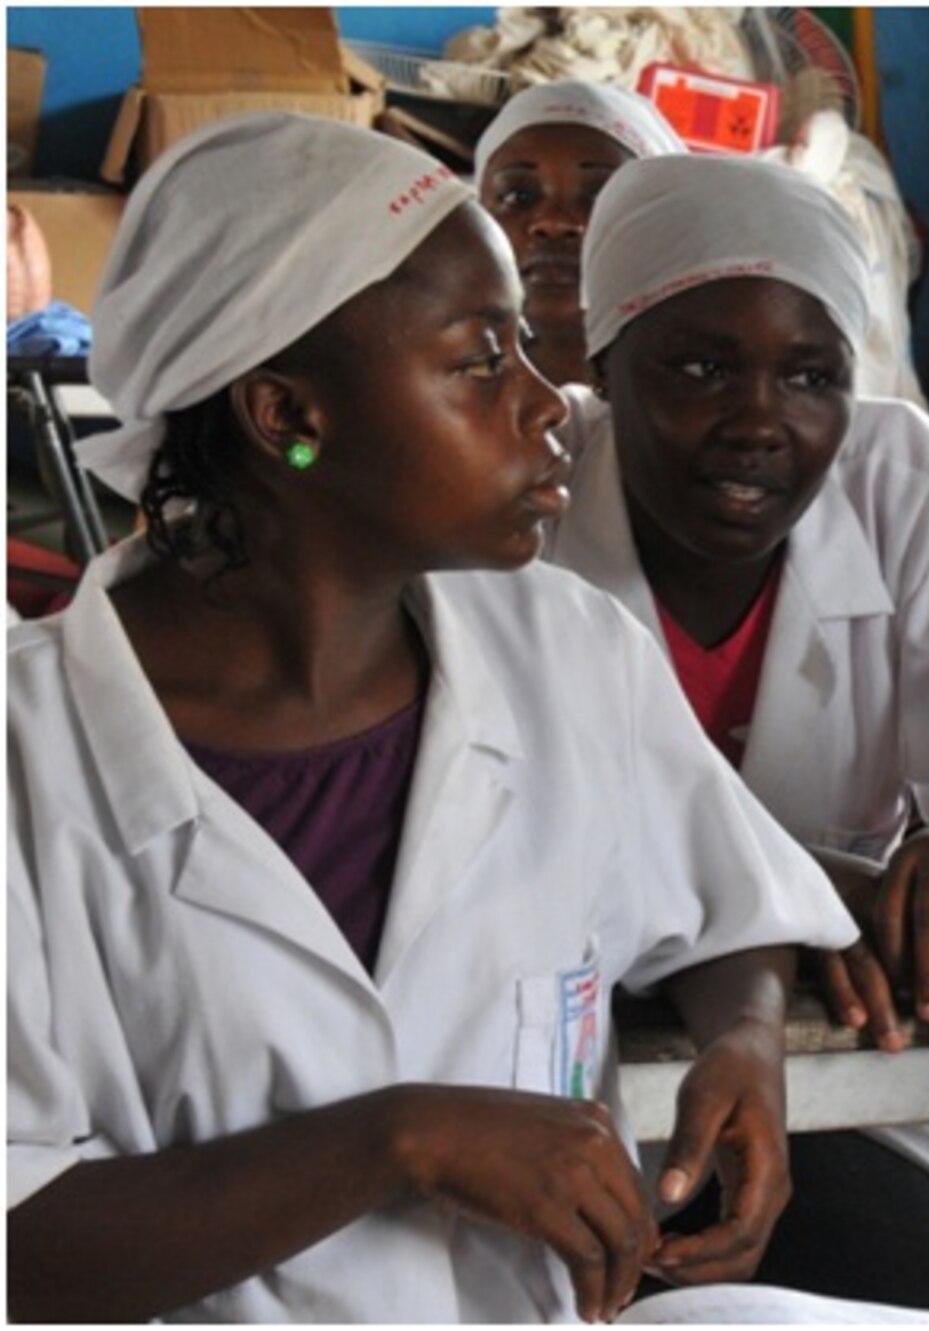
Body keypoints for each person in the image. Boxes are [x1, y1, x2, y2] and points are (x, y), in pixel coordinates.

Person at [7, 113, 859, 1323]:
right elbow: (15, 1243)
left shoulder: (562, 654)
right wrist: (397, 1141)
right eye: (478, 361)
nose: (546, 404)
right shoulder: (25, 761)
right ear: (288, 416)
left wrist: (746, 1038)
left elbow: (726, 902)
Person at [544, 152, 929, 1319]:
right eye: (699, 367)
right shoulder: (523, 502)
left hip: (851, 1065)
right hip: (567, 1077)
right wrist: (793, 882)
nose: (760, 420)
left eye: (812, 374)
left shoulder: (907, 480)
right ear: (604, 362)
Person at [475, 80, 685, 386]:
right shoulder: (420, 389)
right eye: (516, 196)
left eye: (601, 196)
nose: (554, 222)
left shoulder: (701, 402)